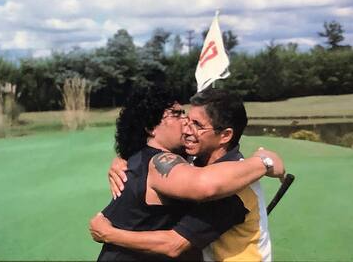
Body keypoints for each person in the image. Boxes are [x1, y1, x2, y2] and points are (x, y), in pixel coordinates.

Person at [91, 85, 285, 261]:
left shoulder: (232, 187)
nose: (187, 128)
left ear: (225, 135)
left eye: (197, 125)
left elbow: (174, 244)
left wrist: (264, 162)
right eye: (184, 118)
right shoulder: (189, 160)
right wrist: (122, 157)